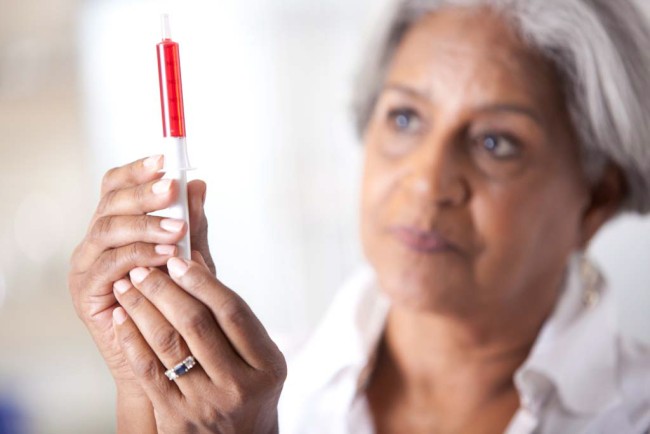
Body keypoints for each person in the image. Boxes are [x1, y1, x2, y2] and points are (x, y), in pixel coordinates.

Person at [69, 0, 650, 432]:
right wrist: (141, 389)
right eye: (404, 119)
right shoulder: (246, 396)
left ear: (596, 199)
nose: (426, 180)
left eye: (496, 142)